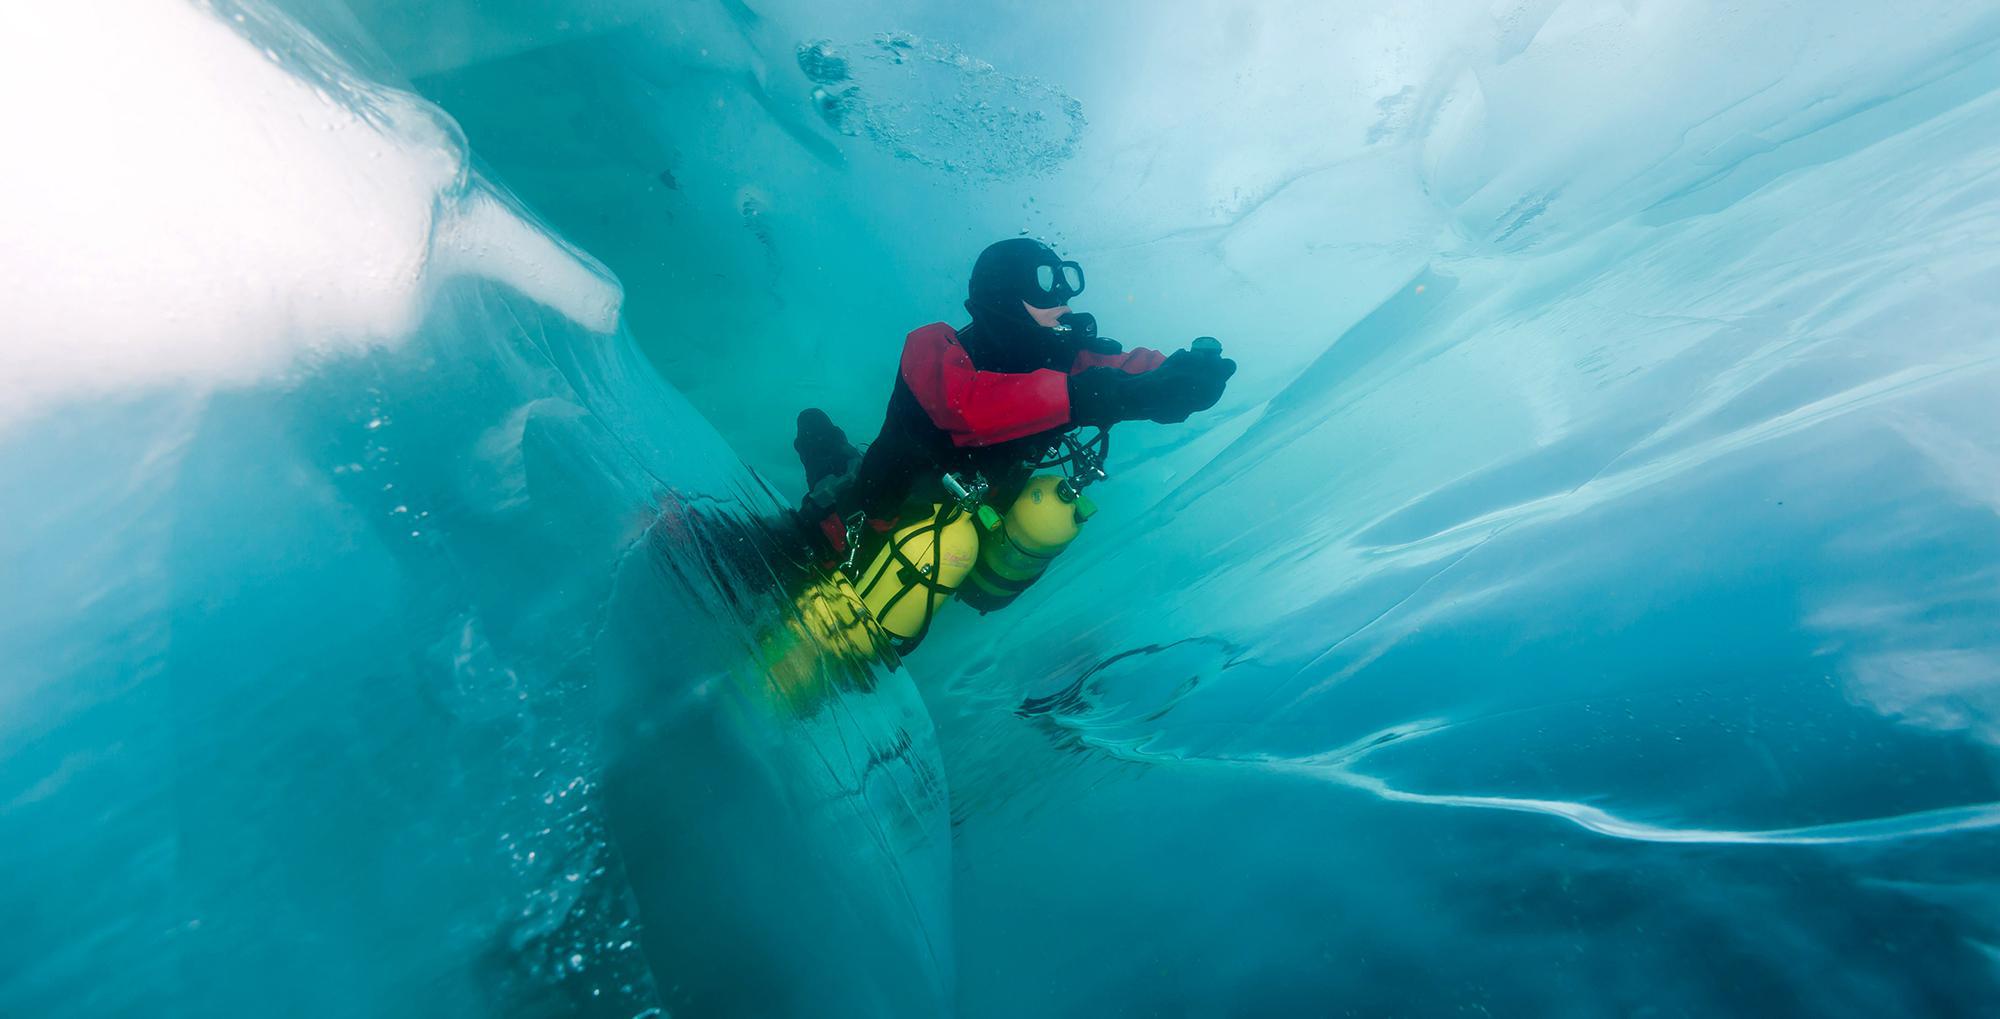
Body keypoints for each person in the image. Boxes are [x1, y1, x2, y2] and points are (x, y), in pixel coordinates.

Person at [794, 237, 1236, 565]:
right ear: (1004, 293)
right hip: (866, 519)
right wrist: (1092, 393)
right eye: (1044, 283)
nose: (1062, 297)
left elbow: (1128, 369)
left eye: (1064, 283)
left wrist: (1180, 378)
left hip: (962, 534)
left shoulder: (1069, 361)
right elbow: (964, 405)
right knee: (826, 454)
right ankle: (824, 449)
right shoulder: (932, 346)